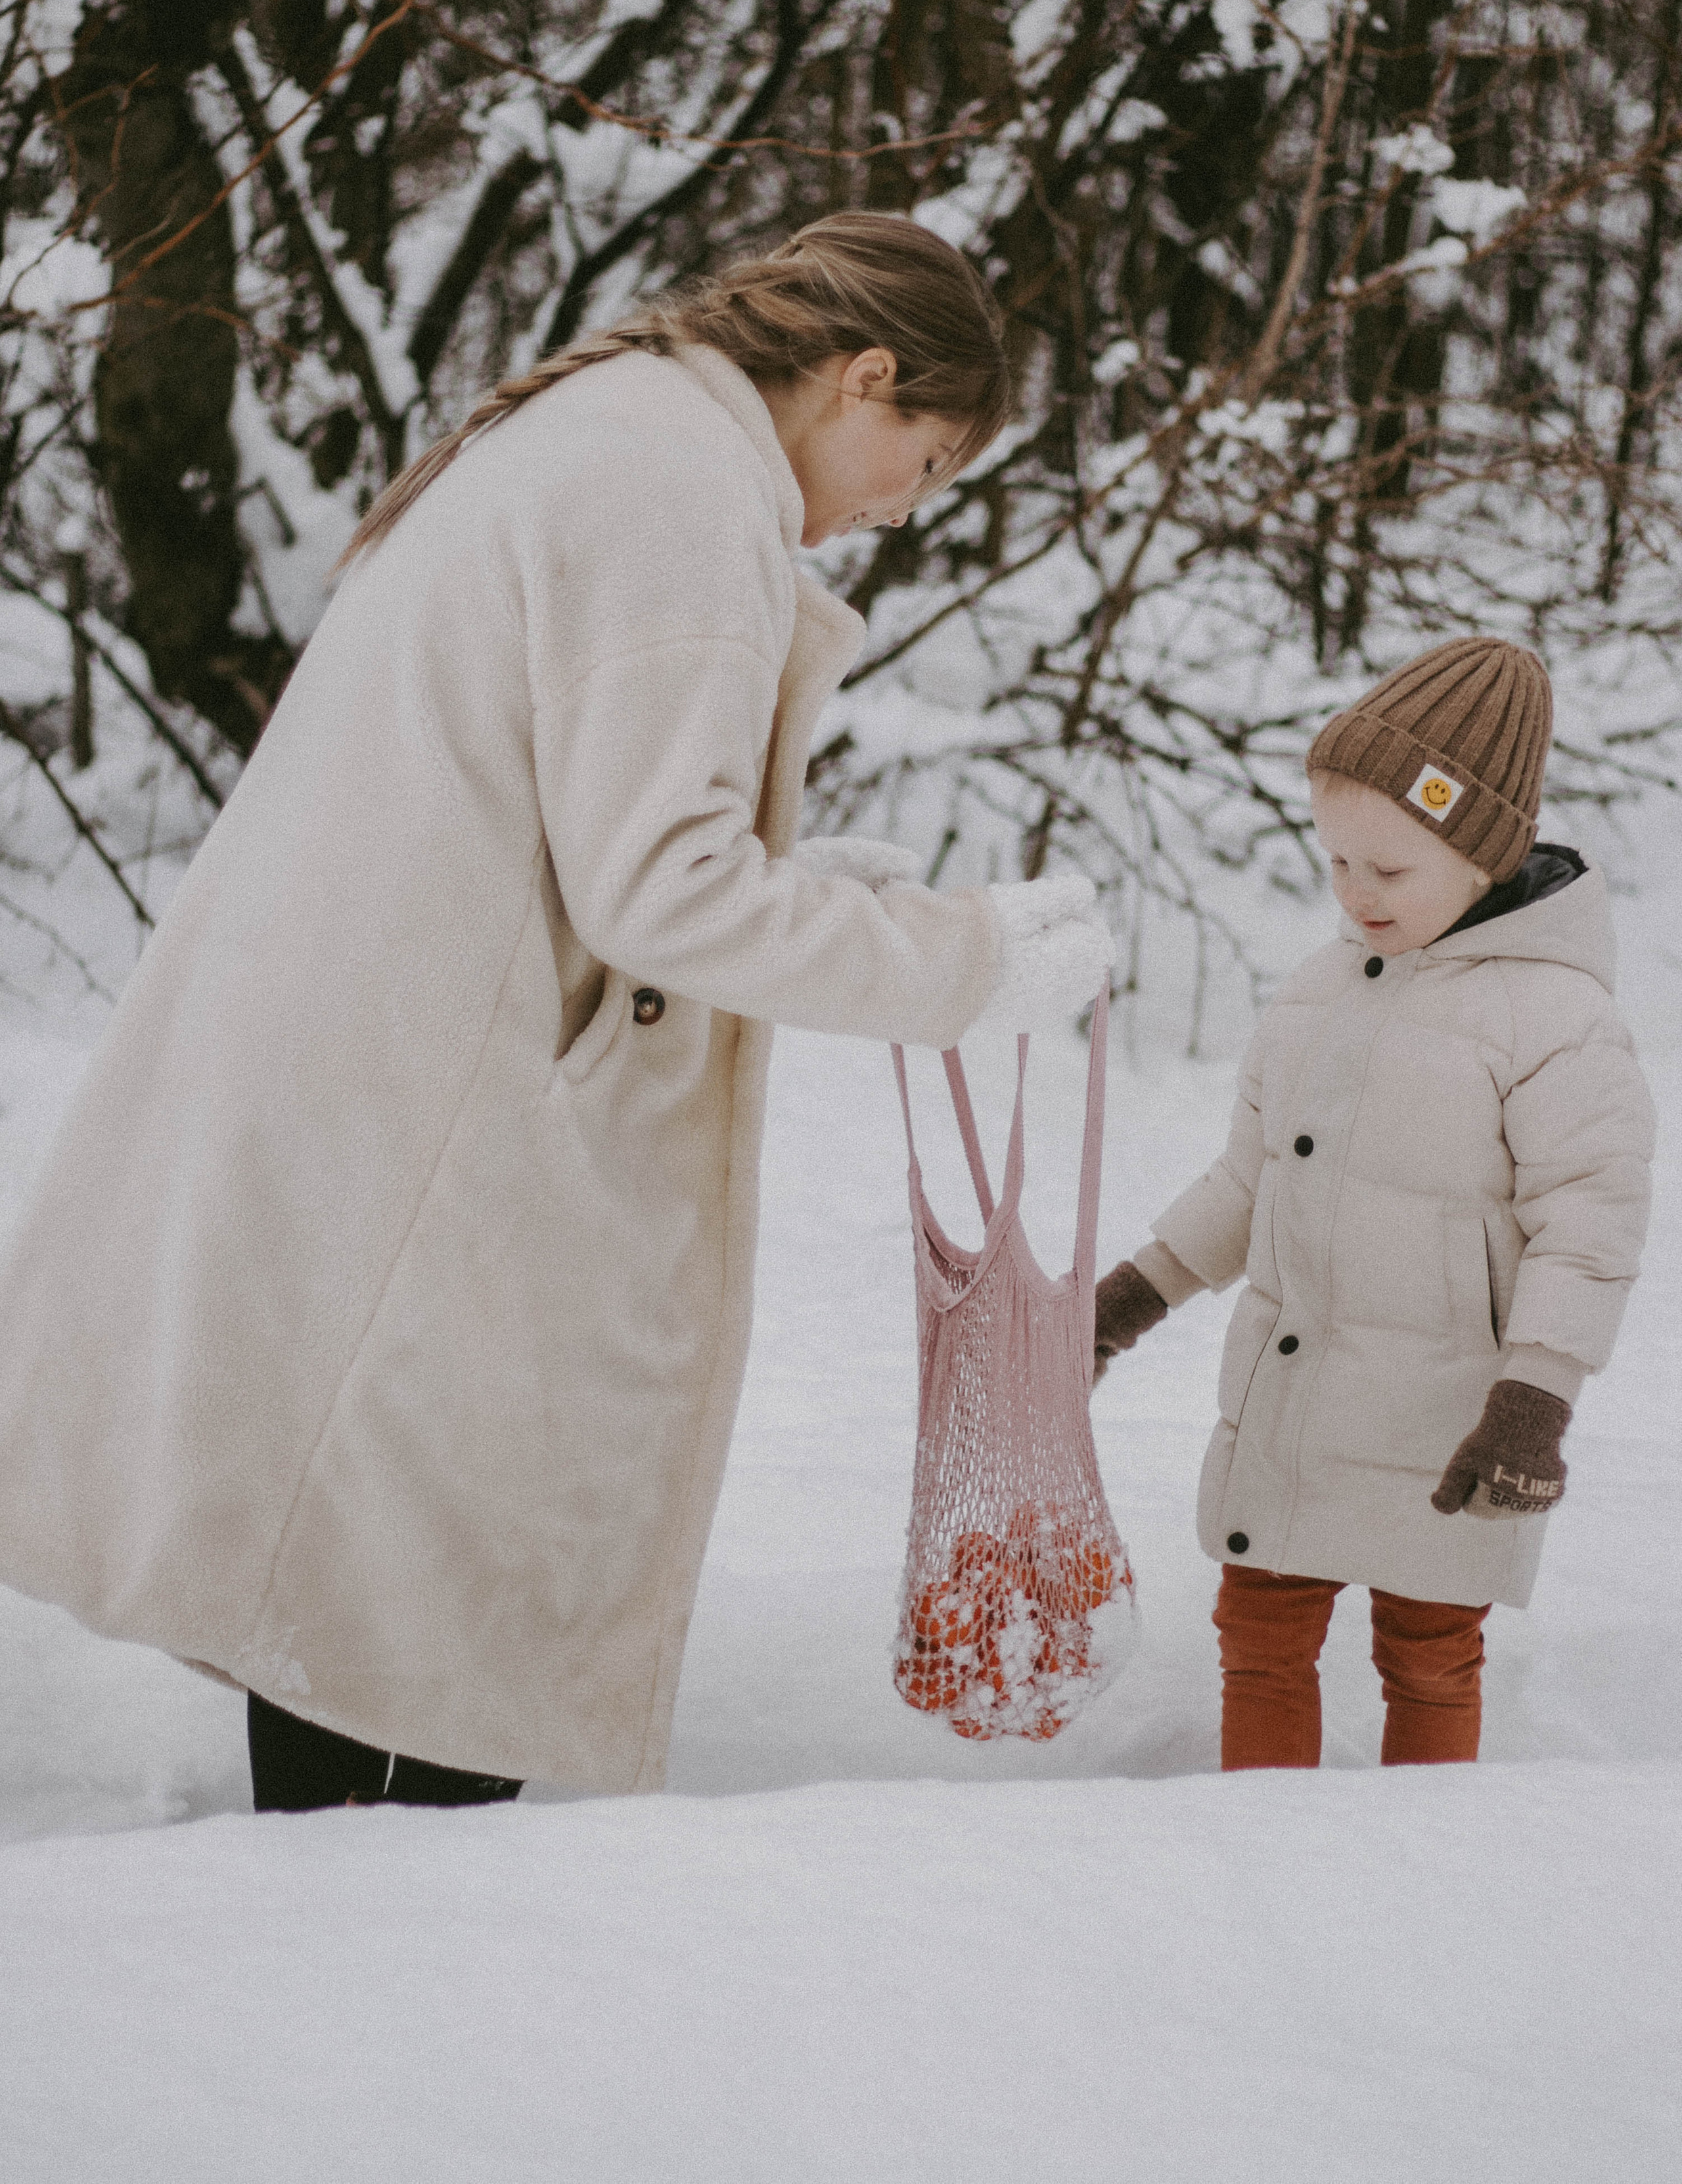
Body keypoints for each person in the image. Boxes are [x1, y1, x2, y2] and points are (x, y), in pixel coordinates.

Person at [0, 214, 1114, 1812]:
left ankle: (345, 1928)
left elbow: (580, 814)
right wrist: (962, 962)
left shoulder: (611, 427)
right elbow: (661, 891)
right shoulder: (681, 496)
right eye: (922, 461)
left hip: (376, 1054)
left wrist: (832, 894)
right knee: (432, 1574)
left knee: (363, 1563)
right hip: (442, 1099)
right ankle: (408, 1965)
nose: (894, 510)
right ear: (862, 377)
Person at [1090, 637, 1653, 1769]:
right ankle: (1261, 1842)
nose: (1356, 895)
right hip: (1295, 1401)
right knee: (1258, 1633)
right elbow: (1251, 1181)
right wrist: (1132, 1296)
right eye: (1337, 862)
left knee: (1432, 1648)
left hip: (1450, 1418)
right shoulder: (1322, 989)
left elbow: (1587, 1231)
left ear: (1484, 853)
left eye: (1390, 872)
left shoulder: (1556, 1021)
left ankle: (1421, 1865)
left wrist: (1534, 1403)